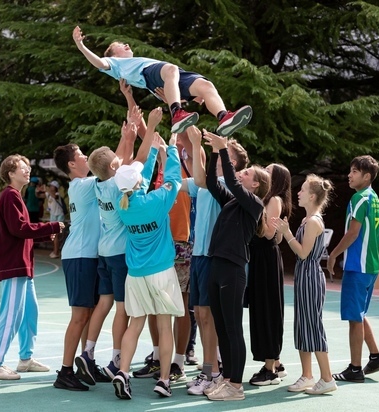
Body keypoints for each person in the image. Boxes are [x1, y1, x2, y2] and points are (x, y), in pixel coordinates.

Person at [75, 106, 161, 386]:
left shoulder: (100, 184)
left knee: (104, 302)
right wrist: (147, 126)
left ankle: (87, 352)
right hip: (121, 253)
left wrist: (128, 136)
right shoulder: (119, 186)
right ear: (115, 166)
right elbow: (139, 159)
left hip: (103, 250)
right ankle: (115, 358)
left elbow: (118, 160)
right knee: (122, 308)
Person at [72, 26, 253, 136]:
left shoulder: (136, 60)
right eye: (121, 46)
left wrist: (183, 97)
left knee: (206, 86)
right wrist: (80, 46)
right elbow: (99, 62)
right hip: (153, 74)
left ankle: (223, 117)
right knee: (171, 69)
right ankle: (177, 113)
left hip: (173, 78)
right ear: (114, 55)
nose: (127, 45)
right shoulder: (116, 64)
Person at [110, 132, 184, 400]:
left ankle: (123, 371)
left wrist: (153, 152)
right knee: (165, 327)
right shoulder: (155, 202)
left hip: (135, 274)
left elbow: (138, 183)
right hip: (161, 272)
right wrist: (171, 149)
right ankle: (164, 380)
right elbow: (174, 181)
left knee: (135, 324)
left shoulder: (123, 204)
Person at [203, 130, 270, 401]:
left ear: (254, 186)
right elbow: (212, 182)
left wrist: (223, 151)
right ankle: (228, 379)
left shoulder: (254, 204)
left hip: (233, 269)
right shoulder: (231, 202)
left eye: (247, 175)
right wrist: (211, 153)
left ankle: (237, 387)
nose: (242, 174)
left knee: (233, 329)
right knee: (221, 328)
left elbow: (230, 179)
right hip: (217, 265)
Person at [181, 126, 249, 396]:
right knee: (200, 314)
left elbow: (198, 177)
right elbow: (188, 178)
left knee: (209, 317)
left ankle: (211, 372)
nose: (216, 157)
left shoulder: (226, 187)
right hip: (199, 254)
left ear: (231, 163)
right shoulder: (210, 183)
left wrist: (196, 144)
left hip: (213, 257)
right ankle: (211, 370)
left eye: (221, 154)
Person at [0, 154, 64, 380]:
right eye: (23, 168)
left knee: (30, 312)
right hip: (15, 265)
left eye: (28, 167)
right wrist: (50, 226)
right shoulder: (9, 196)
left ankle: (25, 359)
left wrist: (43, 231)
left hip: (24, 266)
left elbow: (23, 228)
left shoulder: (15, 196)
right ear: (11, 173)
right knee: (11, 315)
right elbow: (19, 228)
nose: (27, 171)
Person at [272, 174, 337, 395]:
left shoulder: (313, 222)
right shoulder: (308, 219)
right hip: (304, 277)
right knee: (302, 326)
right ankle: (307, 375)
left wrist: (287, 233)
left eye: (302, 190)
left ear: (311, 196)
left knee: (313, 326)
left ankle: (327, 378)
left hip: (310, 277)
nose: (297, 193)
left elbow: (303, 253)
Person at [326, 155, 379, 383]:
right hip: (371, 266)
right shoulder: (375, 198)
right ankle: (375, 356)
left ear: (366, 176)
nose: (349, 175)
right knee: (359, 314)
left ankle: (354, 368)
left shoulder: (358, 198)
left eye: (354, 171)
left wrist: (333, 254)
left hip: (358, 266)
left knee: (354, 318)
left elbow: (353, 233)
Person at [52, 143, 101, 391]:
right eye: (81, 155)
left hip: (88, 256)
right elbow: (111, 166)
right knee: (80, 316)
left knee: (89, 314)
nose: (86, 157)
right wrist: (130, 136)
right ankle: (65, 371)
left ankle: (87, 363)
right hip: (80, 256)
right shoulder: (82, 185)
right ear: (72, 164)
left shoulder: (85, 185)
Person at [246, 163, 292, 387]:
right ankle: (276, 363)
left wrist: (252, 215)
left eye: (268, 170)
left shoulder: (273, 201)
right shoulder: (268, 200)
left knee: (267, 310)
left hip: (265, 259)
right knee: (264, 308)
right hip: (261, 258)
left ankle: (269, 369)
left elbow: (268, 233)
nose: (263, 170)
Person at [46, 181, 66, 259]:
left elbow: (55, 196)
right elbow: (39, 195)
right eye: (50, 186)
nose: (50, 187)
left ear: (56, 188)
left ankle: (56, 252)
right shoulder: (49, 196)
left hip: (59, 216)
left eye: (52, 186)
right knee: (54, 235)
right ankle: (55, 250)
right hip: (53, 216)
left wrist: (48, 191)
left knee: (56, 234)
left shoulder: (57, 195)